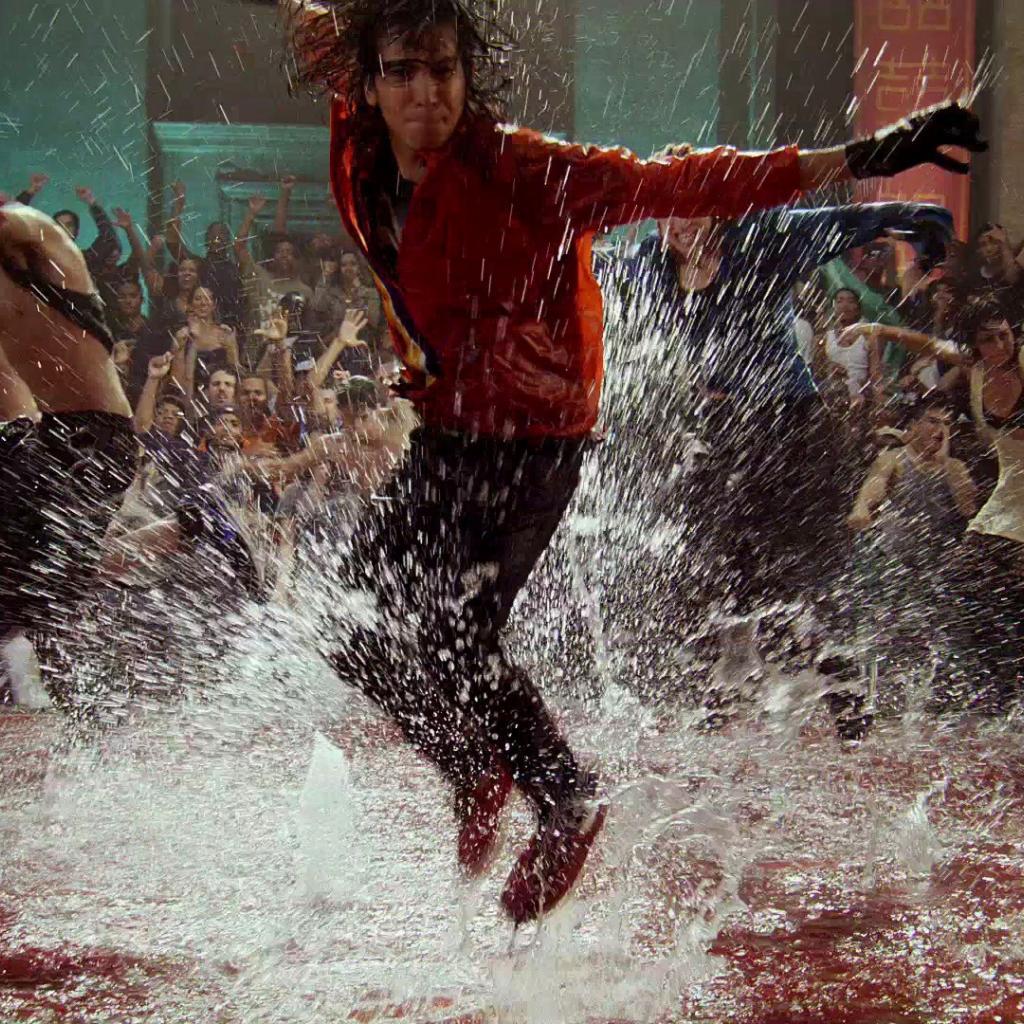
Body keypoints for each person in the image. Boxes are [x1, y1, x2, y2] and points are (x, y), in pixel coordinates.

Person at [278, 0, 985, 923]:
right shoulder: (361, 143)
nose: (426, 93)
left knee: (454, 630)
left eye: (443, 69)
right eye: (403, 72)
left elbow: (680, 181)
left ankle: (564, 797)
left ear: (467, 75)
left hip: (534, 440)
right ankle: (473, 766)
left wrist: (868, 154)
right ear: (370, 85)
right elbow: (314, 22)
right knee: (352, 621)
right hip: (447, 429)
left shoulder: (527, 169)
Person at [619, 201, 953, 734]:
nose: (684, 224)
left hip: (791, 429)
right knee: (721, 570)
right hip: (725, 430)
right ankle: (744, 688)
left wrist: (920, 222)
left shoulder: (759, 242)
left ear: (718, 213)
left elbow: (839, 222)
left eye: (697, 210)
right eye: (673, 212)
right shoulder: (648, 263)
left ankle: (835, 692)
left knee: (783, 579)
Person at [0, 199, 136, 656]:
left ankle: (193, 528)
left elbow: (10, 223)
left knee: (51, 600)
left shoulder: (36, 232)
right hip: (44, 438)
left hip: (98, 439)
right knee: (21, 596)